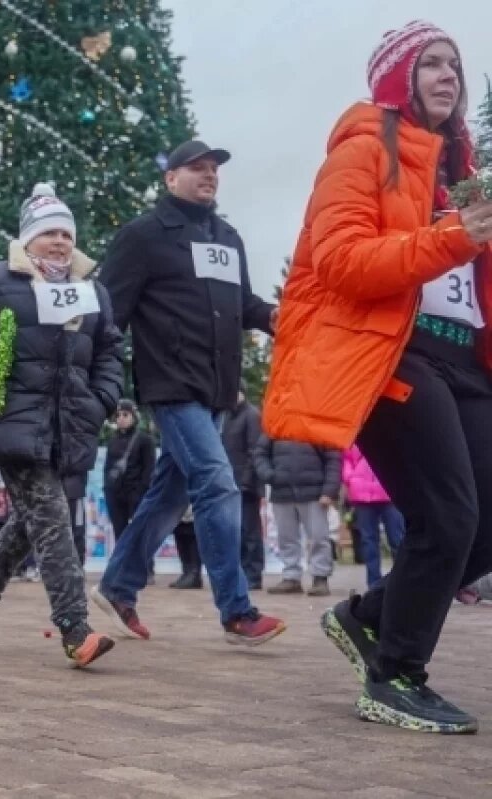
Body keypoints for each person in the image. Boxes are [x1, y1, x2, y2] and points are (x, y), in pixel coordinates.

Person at [265, 21, 492, 732]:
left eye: (454, 64)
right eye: (431, 63)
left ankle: (367, 617)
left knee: (486, 518)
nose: (448, 75)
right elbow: (341, 262)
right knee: (448, 515)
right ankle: (395, 675)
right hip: (392, 354)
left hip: (465, 360)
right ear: (398, 78)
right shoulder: (362, 152)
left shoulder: (465, 170)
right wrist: (455, 236)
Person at [93, 138, 286, 647]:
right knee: (217, 483)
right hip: (171, 385)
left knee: (169, 494)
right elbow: (109, 312)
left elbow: (243, 303)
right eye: (197, 168)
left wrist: (271, 317)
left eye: (214, 170)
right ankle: (236, 611)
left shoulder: (228, 237)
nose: (209, 176)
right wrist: (95, 377)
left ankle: (117, 586)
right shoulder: (143, 236)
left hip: (218, 388)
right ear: (170, 178)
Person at [0, 183, 124, 668]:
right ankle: (74, 630)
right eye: (48, 233)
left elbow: (109, 351)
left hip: (70, 425)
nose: (59, 241)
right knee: (53, 517)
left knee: (36, 516)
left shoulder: (91, 291)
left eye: (66, 233)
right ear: (28, 238)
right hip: (13, 421)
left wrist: (102, 399)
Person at [253, 434, 341, 596]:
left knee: (319, 537)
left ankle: (320, 577)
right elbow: (260, 453)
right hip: (282, 492)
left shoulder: (316, 424)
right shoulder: (277, 424)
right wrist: (268, 474)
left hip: (315, 493)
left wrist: (329, 490)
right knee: (286, 538)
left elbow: (333, 459)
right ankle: (291, 576)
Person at [341, 445, 405, 588]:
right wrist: (350, 478)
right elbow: (347, 459)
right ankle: (374, 583)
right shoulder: (356, 434)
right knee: (368, 541)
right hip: (361, 494)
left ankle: (401, 581)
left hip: (389, 492)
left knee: (397, 540)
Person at [221, 389, 265, 590]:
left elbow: (254, 450)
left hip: (247, 485)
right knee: (234, 532)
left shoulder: (252, 415)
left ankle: (254, 574)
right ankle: (240, 574)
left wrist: (246, 481)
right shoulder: (226, 416)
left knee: (250, 532)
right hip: (229, 483)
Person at [102, 400, 155, 562]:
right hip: (115, 494)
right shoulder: (112, 440)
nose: (121, 418)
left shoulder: (145, 440)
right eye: (118, 415)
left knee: (140, 533)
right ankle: (122, 565)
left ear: (134, 416)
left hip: (136, 494)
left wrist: (140, 491)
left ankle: (146, 567)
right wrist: (108, 489)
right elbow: (107, 467)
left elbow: (149, 469)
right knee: (120, 531)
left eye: (125, 414)